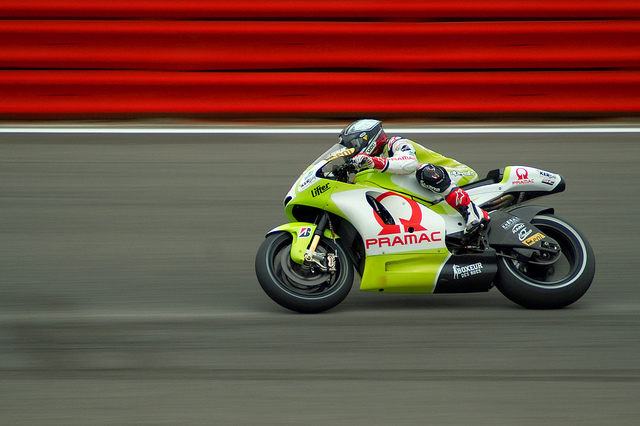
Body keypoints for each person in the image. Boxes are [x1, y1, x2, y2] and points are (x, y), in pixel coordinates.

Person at [339, 119, 490, 236]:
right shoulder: (370, 169)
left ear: (368, 140)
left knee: (424, 171)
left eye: (353, 145)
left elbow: (409, 164)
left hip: (458, 174)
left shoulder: (395, 143)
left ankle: (473, 212)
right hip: (430, 192)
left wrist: (373, 161)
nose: (350, 152)